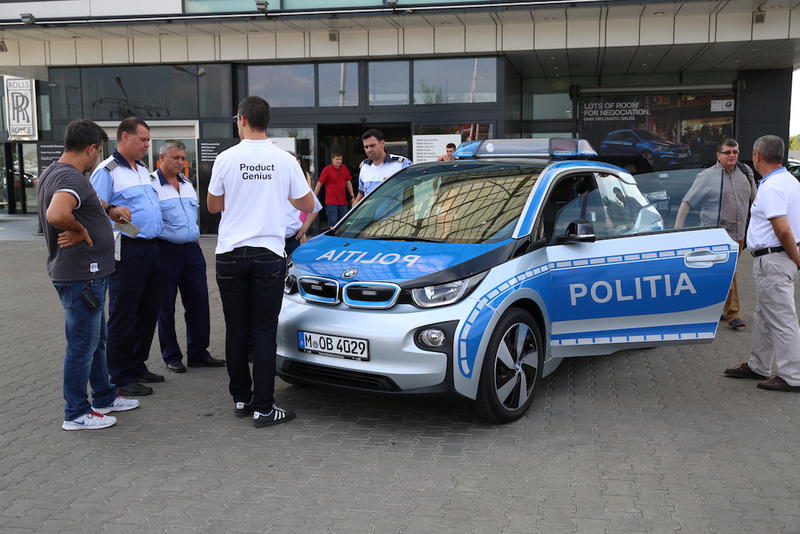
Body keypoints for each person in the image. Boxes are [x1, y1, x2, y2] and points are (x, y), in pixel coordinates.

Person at [207, 96, 315, 427]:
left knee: (237, 328)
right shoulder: (284, 160)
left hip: (229, 253)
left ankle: (242, 398)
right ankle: (264, 408)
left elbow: (213, 206)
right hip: (268, 253)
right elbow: (307, 203)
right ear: (267, 122)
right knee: (264, 331)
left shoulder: (225, 158)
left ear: (241, 120)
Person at [38, 119, 140, 430]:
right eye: (99, 151)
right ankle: (77, 412)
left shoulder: (56, 172)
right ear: (92, 148)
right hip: (83, 275)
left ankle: (105, 396)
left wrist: (109, 210)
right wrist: (80, 229)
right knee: (82, 344)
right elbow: (57, 213)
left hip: (85, 273)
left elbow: (87, 201)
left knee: (96, 341)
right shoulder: (71, 177)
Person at [90, 117, 165, 397]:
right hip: (128, 251)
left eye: (148, 140)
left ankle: (137, 364)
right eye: (143, 140)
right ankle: (119, 375)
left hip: (152, 249)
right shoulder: (107, 171)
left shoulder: (143, 169)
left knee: (148, 310)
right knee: (124, 312)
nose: (147, 145)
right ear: (124, 137)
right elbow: (96, 211)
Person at [724, 135, 800, 392]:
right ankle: (758, 365)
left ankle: (793, 376)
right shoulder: (790, 182)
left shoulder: (771, 186)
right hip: (778, 258)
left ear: (757, 156)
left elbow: (783, 229)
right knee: (766, 316)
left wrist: (796, 257)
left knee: (782, 319)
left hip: (775, 258)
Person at [152, 140, 225, 373]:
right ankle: (171, 355)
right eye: (176, 158)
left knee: (199, 302)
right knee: (165, 306)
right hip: (165, 251)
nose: (181, 163)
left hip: (192, 251)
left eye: (183, 158)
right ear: (161, 158)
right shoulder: (151, 185)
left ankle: (198, 352)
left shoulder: (186, 184)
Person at [674, 139, 756, 329]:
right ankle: (734, 313)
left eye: (735, 151)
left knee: (720, 273)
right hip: (716, 235)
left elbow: (756, 201)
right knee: (730, 272)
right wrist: (678, 232)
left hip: (740, 234)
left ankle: (713, 308)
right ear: (718, 155)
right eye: (727, 152)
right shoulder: (707, 176)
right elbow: (686, 203)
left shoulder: (746, 172)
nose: (732, 155)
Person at [353, 129, 412, 205]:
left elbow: (413, 190)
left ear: (382, 144)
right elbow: (361, 193)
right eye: (366, 147)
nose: (369, 150)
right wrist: (355, 206)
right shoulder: (364, 166)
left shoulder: (402, 164)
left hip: (395, 216)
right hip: (370, 215)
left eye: (372, 145)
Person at [285, 151, 322, 256]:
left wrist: (303, 229)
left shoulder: (299, 183)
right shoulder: (270, 184)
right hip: (272, 241)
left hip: (292, 239)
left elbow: (315, 206)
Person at [315, 152, 353, 227]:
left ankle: (342, 239)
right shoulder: (327, 169)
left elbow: (348, 182)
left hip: (343, 201)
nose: (339, 161)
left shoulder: (344, 168)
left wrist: (352, 196)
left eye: (340, 159)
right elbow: (319, 183)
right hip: (331, 202)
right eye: (337, 159)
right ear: (332, 159)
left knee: (344, 223)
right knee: (333, 223)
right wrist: (314, 196)